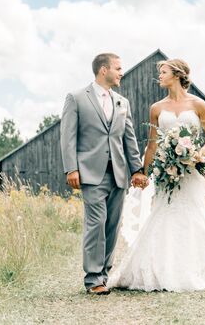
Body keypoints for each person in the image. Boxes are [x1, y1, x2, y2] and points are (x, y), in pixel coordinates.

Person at [108, 58, 205, 292]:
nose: (159, 76)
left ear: (177, 74)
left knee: (193, 213)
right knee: (163, 212)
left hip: (191, 170)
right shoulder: (156, 108)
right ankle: (160, 269)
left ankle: (199, 270)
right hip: (165, 170)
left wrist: (197, 154)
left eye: (163, 72)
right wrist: (143, 172)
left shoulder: (198, 104)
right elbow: (152, 145)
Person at [60, 53, 147, 296]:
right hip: (90, 173)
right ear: (103, 70)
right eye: (118, 68)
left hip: (118, 173)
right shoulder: (76, 98)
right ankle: (93, 278)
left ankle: (104, 274)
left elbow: (128, 139)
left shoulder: (123, 102)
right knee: (95, 224)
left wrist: (137, 169)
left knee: (112, 226)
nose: (122, 72)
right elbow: (67, 136)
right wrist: (71, 168)